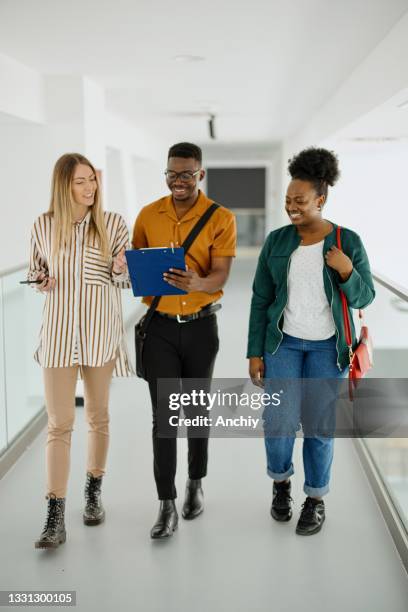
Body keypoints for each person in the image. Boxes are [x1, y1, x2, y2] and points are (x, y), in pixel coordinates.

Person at [247, 147, 375, 535]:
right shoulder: (276, 241)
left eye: (300, 201)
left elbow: (364, 297)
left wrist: (347, 269)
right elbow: (261, 299)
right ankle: (281, 484)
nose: (292, 207)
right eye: (288, 200)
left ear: (321, 199)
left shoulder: (346, 241)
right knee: (279, 422)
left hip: (327, 349)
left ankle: (315, 499)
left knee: (320, 427)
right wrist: (254, 352)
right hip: (282, 345)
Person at [132, 142, 236, 539]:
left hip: (200, 328)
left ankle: (195, 482)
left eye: (187, 174)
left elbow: (221, 275)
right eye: (172, 174)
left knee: (194, 410)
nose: (178, 181)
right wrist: (127, 268)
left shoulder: (220, 218)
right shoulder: (147, 215)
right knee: (164, 418)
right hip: (158, 326)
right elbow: (138, 264)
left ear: (200, 175)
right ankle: (166, 503)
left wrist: (199, 282)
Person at [29, 153, 132, 549]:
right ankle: (54, 515)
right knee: (58, 424)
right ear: (63, 185)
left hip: (99, 334)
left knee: (98, 416)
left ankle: (93, 492)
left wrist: (123, 268)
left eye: (93, 180)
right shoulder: (43, 225)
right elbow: (38, 269)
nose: (90, 188)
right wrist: (40, 279)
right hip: (57, 337)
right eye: (80, 182)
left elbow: (124, 282)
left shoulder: (113, 225)